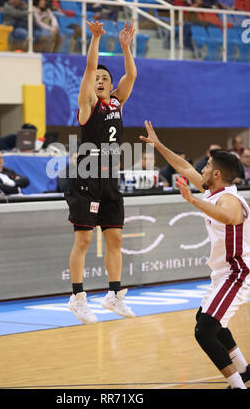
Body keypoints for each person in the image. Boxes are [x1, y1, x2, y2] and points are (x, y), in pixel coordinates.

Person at [140, 120, 250, 389]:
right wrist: (159, 146)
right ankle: (244, 370)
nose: (202, 167)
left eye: (208, 166)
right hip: (223, 273)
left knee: (204, 331)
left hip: (237, 273)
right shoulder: (213, 191)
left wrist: (192, 201)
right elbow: (183, 166)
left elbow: (230, 216)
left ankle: (237, 386)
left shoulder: (230, 200)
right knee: (208, 320)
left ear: (217, 175)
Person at [65, 20, 137, 325]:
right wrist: (95, 39)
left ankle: (114, 294)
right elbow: (88, 69)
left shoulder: (118, 103)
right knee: (83, 240)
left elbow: (131, 75)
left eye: (105, 78)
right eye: (97, 78)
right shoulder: (88, 105)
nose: (100, 81)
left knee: (116, 239)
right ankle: (78, 298)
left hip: (109, 178)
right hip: (85, 177)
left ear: (111, 85)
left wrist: (125, 46)